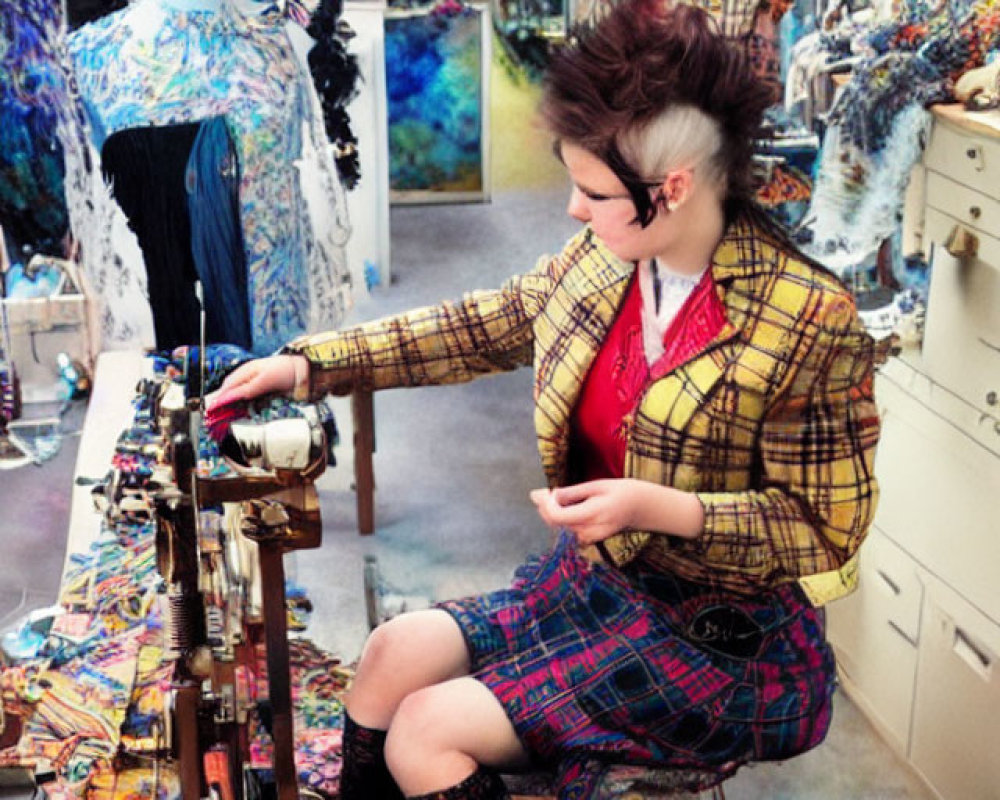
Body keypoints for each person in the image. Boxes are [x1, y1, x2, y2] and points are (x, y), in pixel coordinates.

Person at [207, 1, 883, 797]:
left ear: (671, 187)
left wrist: (662, 508)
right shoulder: (605, 263)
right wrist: (307, 367)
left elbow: (825, 529)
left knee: (426, 732)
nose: (573, 209)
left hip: (720, 643)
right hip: (594, 589)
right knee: (392, 654)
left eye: (592, 192)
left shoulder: (807, 319)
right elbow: (478, 325)